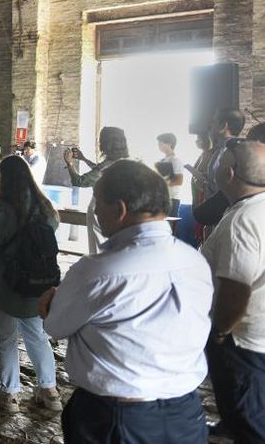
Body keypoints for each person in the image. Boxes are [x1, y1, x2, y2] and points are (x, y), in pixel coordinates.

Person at [39, 160, 211, 443]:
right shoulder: (194, 260)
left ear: (119, 209)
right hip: (186, 412)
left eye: (98, 203)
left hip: (119, 416)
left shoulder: (98, 270)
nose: (95, 212)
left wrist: (48, 305)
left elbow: (55, 325)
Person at [0, 155, 61, 413]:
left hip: (3, 285)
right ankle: (50, 391)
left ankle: (10, 394)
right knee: (37, 337)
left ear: (4, 179)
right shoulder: (46, 208)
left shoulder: (0, 210)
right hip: (37, 286)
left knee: (6, 338)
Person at [201, 139, 265, 441]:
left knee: (248, 419)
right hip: (258, 335)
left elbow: (236, 291)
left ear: (229, 173)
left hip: (241, 341)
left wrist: (220, 332)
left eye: (218, 161)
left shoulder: (242, 221)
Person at [64, 126, 129, 253]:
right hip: (118, 209)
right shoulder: (123, 161)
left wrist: (69, 163)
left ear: (106, 143)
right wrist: (84, 159)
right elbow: (98, 170)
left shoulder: (105, 166)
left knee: (98, 247)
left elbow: (79, 181)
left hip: (100, 208)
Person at [155, 132, 184, 216]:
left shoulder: (176, 160)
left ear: (169, 144)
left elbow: (179, 180)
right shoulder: (161, 161)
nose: (159, 145)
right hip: (161, 198)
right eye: (158, 143)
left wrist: (162, 183)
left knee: (170, 225)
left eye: (161, 143)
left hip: (172, 199)